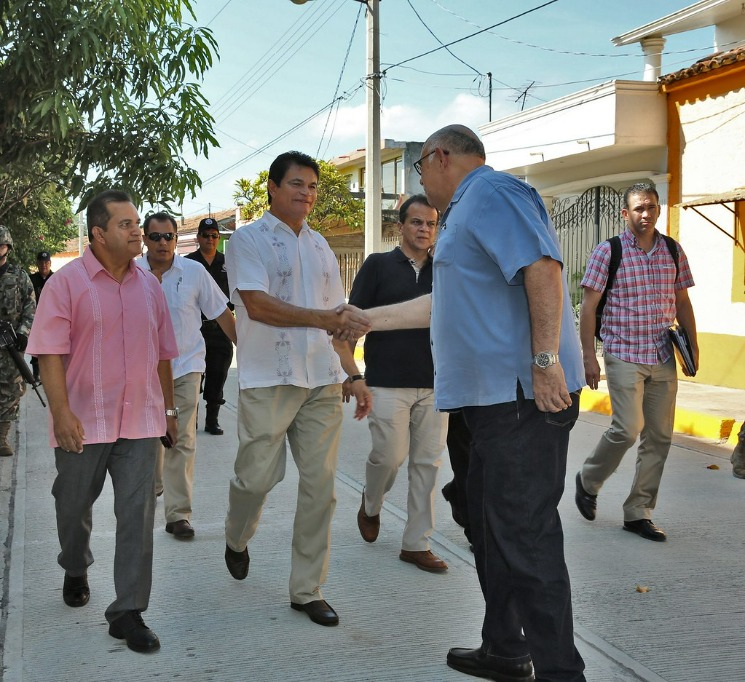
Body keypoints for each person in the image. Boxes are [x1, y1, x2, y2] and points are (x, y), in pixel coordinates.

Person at [356, 125, 587, 681]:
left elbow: (543, 269)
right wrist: (364, 320)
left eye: (418, 169)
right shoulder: (464, 214)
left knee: (524, 534)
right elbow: (446, 304)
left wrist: (544, 360)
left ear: (439, 157)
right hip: (486, 405)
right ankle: (505, 646)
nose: (420, 181)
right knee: (482, 518)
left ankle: (561, 673)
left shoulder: (491, 193)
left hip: (519, 399)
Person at [223, 150, 372, 628]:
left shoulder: (322, 245)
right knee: (257, 479)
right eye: (296, 184)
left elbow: (335, 324)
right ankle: (236, 535)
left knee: (321, 488)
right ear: (271, 186)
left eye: (312, 186)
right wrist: (324, 319)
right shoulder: (246, 241)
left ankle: (307, 589)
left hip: (322, 382)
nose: (306, 193)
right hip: (269, 379)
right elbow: (257, 305)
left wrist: (351, 372)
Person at [27, 190, 179, 654]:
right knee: (72, 506)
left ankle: (128, 612)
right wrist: (62, 413)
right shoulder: (66, 284)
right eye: (127, 225)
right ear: (98, 233)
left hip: (139, 421)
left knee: (138, 513)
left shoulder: (150, 286)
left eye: (139, 223)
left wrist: (168, 412)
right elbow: (49, 352)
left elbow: (163, 355)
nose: (139, 232)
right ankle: (76, 564)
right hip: (82, 422)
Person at [575, 182, 698, 543]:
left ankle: (638, 512)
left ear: (659, 210)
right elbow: (589, 307)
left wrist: (692, 342)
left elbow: (683, 301)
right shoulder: (607, 252)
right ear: (625, 213)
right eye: (639, 208)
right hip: (623, 352)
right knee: (627, 428)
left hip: (662, 355)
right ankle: (589, 479)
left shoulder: (673, 251)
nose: (646, 214)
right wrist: (588, 355)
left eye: (652, 207)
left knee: (659, 437)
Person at [349, 194, 449, 573]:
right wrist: (352, 374)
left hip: (436, 384)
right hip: (387, 382)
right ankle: (371, 503)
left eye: (430, 224)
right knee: (389, 457)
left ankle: (416, 543)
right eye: (417, 222)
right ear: (400, 226)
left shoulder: (446, 269)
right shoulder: (377, 266)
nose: (424, 230)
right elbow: (356, 319)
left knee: (428, 463)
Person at [137, 212, 236, 540]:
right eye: (155, 237)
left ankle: (178, 514)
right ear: (144, 239)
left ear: (177, 240)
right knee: (147, 438)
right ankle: (152, 488)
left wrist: (249, 352)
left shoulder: (193, 273)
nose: (162, 243)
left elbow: (222, 313)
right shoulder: (129, 274)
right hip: (141, 372)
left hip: (185, 368)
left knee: (180, 438)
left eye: (169, 237)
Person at [185, 218, 234, 435]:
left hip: (221, 329)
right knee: (195, 376)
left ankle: (212, 419)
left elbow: (237, 295)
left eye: (214, 235)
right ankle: (191, 419)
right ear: (198, 238)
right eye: (205, 235)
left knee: (218, 374)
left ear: (219, 238)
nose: (210, 239)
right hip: (196, 329)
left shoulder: (228, 264)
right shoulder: (189, 264)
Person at [0, 226, 36, 457]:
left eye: (1, 245)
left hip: (10, 345)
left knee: (11, 391)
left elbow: (30, 306)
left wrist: (23, 332)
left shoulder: (19, 275)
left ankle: (1, 438)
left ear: (7, 248)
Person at [29, 251, 54, 381]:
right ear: (37, 264)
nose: (44, 265)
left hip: (53, 319)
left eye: (46, 262)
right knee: (36, 346)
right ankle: (36, 374)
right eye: (41, 262)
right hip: (36, 318)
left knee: (52, 347)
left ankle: (52, 373)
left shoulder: (57, 278)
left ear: (50, 263)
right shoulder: (31, 280)